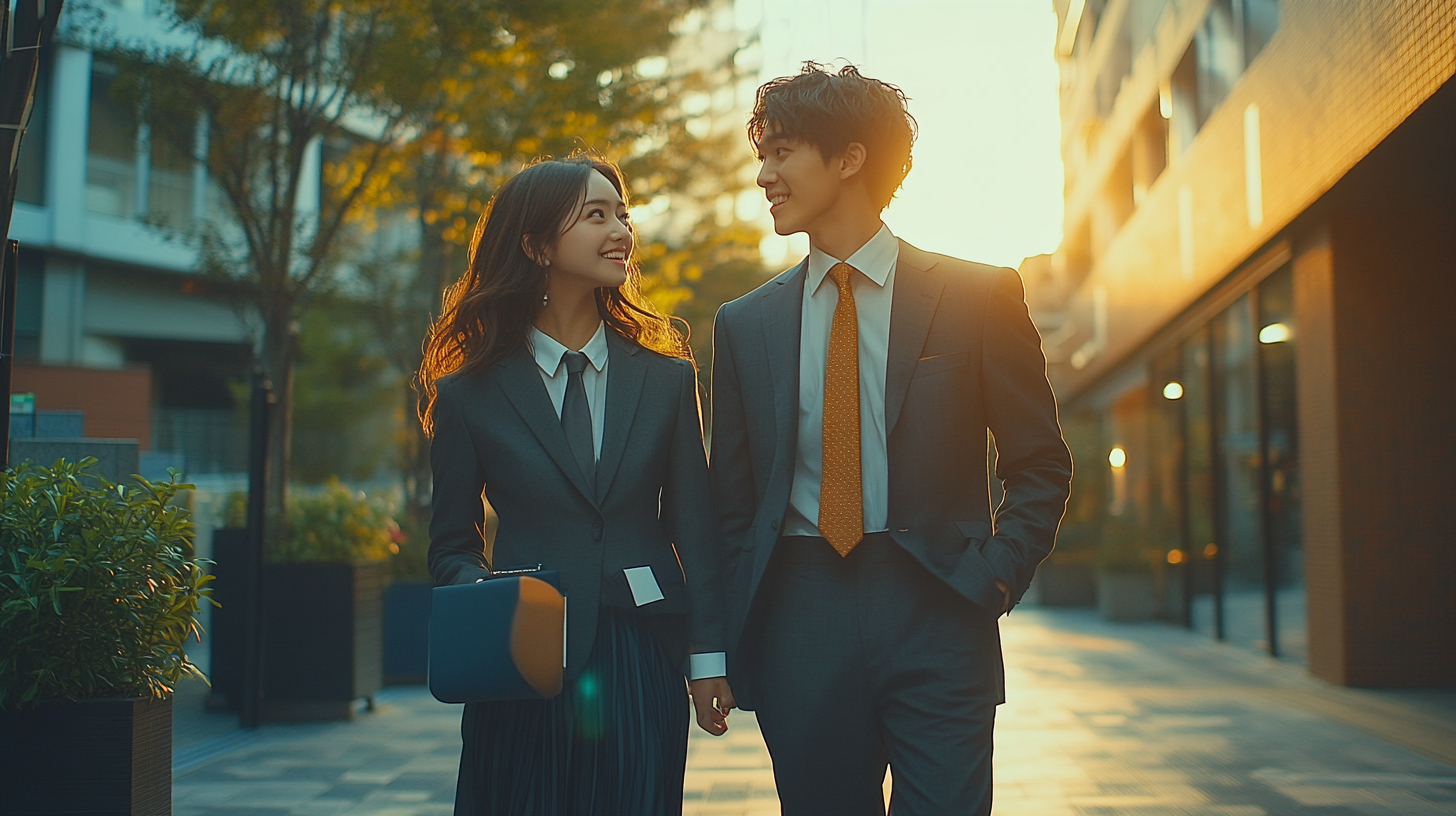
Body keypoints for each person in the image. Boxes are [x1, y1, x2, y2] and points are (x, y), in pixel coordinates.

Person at [708, 63, 1073, 815]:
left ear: (849, 158)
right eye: (761, 155)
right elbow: (733, 506)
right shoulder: (744, 325)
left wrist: (995, 577)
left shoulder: (978, 298)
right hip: (798, 616)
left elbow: (1039, 465)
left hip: (940, 606)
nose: (764, 175)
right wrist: (722, 641)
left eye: (782, 152)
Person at [419, 154, 734, 816]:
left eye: (622, 214)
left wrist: (708, 660)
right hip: (519, 659)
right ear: (536, 244)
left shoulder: (667, 380)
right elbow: (451, 544)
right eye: (596, 215)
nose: (621, 229)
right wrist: (493, 600)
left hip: (640, 651)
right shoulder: (469, 395)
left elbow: (696, 533)